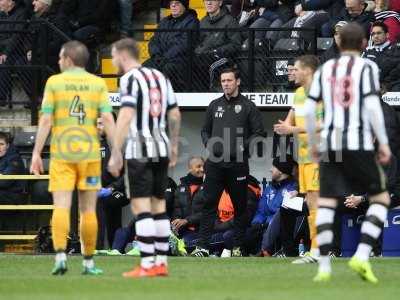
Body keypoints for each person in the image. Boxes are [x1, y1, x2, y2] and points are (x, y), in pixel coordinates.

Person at [304, 23, 391, 283]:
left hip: (330, 143)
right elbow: (374, 108)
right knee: (381, 198)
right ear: (364, 44)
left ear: (340, 44)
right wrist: (383, 143)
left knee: (327, 203)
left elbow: (309, 110)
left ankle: (324, 266)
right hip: (359, 143)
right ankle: (362, 255)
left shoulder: (326, 68)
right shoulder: (368, 68)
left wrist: (313, 142)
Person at [30, 40, 116, 275]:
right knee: (88, 210)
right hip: (89, 154)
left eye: (59, 58)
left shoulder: (54, 83)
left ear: (68, 59)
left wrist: (37, 152)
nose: (58, 62)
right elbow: (108, 120)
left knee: (61, 206)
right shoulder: (98, 83)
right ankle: (88, 262)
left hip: (63, 153)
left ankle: (60, 257)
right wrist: (116, 152)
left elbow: (46, 119)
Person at [108, 38, 181, 278]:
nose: (112, 61)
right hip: (161, 146)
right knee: (158, 206)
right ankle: (160, 263)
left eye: (113, 56)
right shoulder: (161, 77)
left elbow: (127, 114)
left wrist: (116, 151)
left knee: (141, 206)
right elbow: (174, 113)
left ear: (122, 55)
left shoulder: (129, 78)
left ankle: (148, 264)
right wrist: (173, 146)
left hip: (139, 148)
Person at [190, 66, 266, 257]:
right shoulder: (214, 105)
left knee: (240, 207)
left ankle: (238, 248)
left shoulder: (248, 106)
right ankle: (202, 247)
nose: (226, 84)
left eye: (229, 80)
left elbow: (260, 133)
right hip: (214, 164)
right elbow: (204, 130)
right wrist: (209, 144)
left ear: (237, 82)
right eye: (223, 81)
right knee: (209, 205)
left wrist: (243, 147)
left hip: (237, 165)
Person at [273, 55, 322, 264]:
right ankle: (316, 250)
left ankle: (318, 250)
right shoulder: (299, 93)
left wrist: (291, 128)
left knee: (316, 203)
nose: (292, 72)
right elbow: (290, 118)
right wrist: (284, 126)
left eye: (297, 69)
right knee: (310, 203)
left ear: (308, 71)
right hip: (303, 158)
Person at [144, 0, 199, 91]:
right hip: (160, 58)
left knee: (168, 69)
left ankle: (165, 97)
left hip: (180, 60)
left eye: (177, 3)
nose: (173, 5)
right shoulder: (164, 22)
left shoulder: (192, 22)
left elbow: (184, 44)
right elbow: (154, 41)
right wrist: (156, 55)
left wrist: (166, 57)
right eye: (171, 3)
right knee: (144, 68)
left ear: (184, 6)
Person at [95, 116, 129, 250]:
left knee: (107, 203)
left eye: (102, 123)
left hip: (122, 190)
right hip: (102, 190)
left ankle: (113, 249)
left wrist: (112, 187)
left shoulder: (122, 144)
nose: (99, 127)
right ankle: (105, 249)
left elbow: (130, 173)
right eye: (97, 124)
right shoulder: (97, 144)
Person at [194, 0, 241, 91]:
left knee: (209, 67)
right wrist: (198, 52)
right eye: (206, 1)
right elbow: (198, 44)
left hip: (223, 57)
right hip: (204, 56)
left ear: (220, 3)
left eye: (212, 0)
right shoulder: (202, 22)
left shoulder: (229, 20)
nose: (209, 3)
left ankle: (208, 93)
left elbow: (236, 44)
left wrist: (217, 51)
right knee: (190, 63)